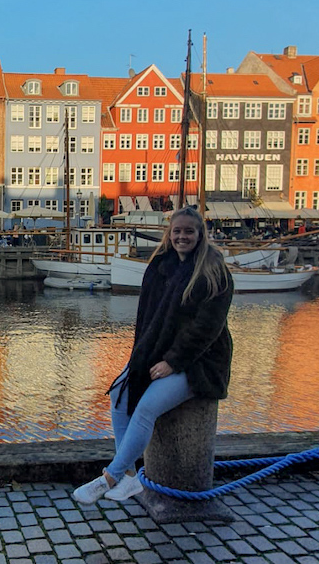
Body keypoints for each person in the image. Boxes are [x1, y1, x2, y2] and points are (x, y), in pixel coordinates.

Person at [72, 205, 234, 505]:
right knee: (120, 395)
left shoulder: (214, 273)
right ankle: (132, 478)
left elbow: (206, 329)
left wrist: (172, 362)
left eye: (189, 231)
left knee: (146, 408)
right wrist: (142, 359)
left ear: (200, 234)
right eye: (177, 231)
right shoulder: (161, 265)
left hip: (201, 362)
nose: (182, 237)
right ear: (169, 234)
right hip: (161, 352)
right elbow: (148, 319)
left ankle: (109, 478)